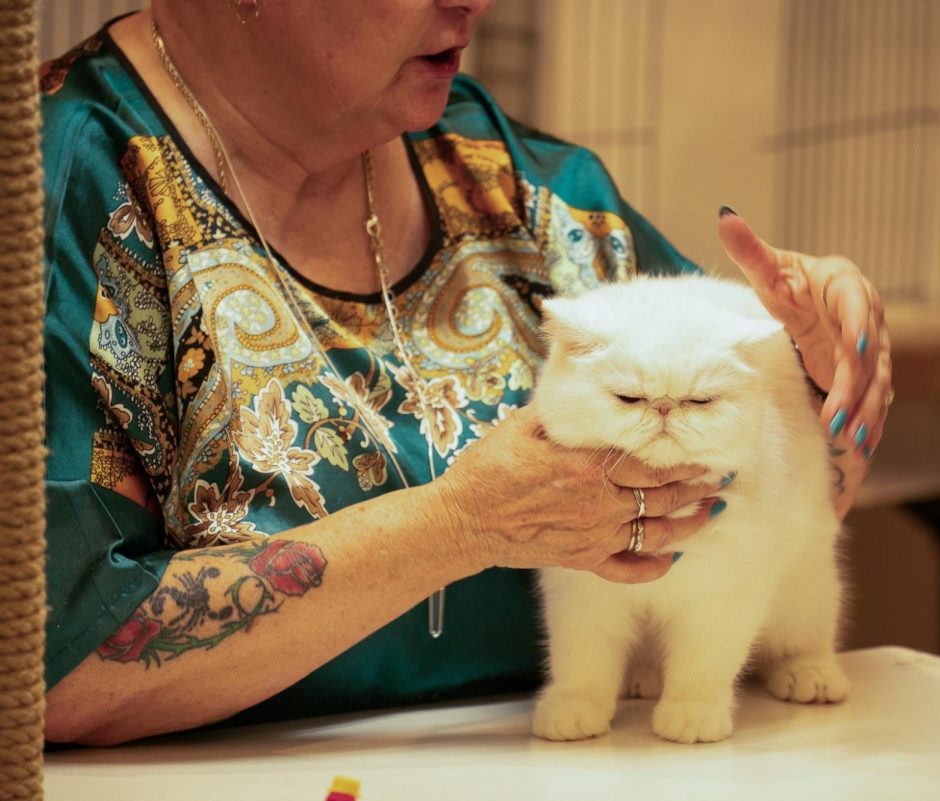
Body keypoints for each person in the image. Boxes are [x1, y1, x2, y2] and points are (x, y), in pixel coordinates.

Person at [39, 0, 892, 746]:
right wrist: (458, 527)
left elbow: (772, 516)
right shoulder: (51, 188)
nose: (478, 2)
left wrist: (821, 378)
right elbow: (51, 662)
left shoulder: (535, 189)